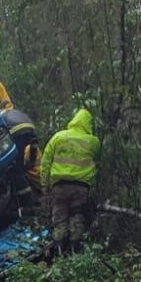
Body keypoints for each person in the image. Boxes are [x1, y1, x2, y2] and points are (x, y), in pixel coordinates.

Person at [39, 108, 100, 257]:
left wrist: (44, 185)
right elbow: (97, 162)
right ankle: (75, 252)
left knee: (59, 218)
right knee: (77, 217)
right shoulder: (93, 142)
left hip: (60, 187)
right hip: (81, 188)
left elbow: (46, 162)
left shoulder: (59, 137)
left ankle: (60, 252)